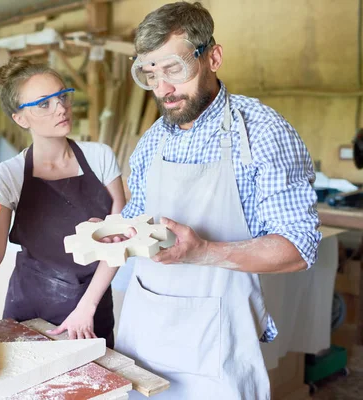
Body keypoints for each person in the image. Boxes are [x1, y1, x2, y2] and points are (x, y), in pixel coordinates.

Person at [98, 2, 321, 399]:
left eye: (174, 69)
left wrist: (202, 251)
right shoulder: (153, 141)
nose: (162, 89)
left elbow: (298, 248)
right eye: (150, 73)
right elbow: (137, 220)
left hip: (217, 352)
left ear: (212, 57)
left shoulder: (262, 134)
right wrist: (116, 234)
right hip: (144, 339)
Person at [0, 58, 126, 347]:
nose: (61, 108)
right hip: (29, 309)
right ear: (20, 118)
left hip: (91, 309)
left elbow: (120, 242)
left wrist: (87, 307)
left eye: (62, 96)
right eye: (44, 104)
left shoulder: (99, 157)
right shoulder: (10, 174)